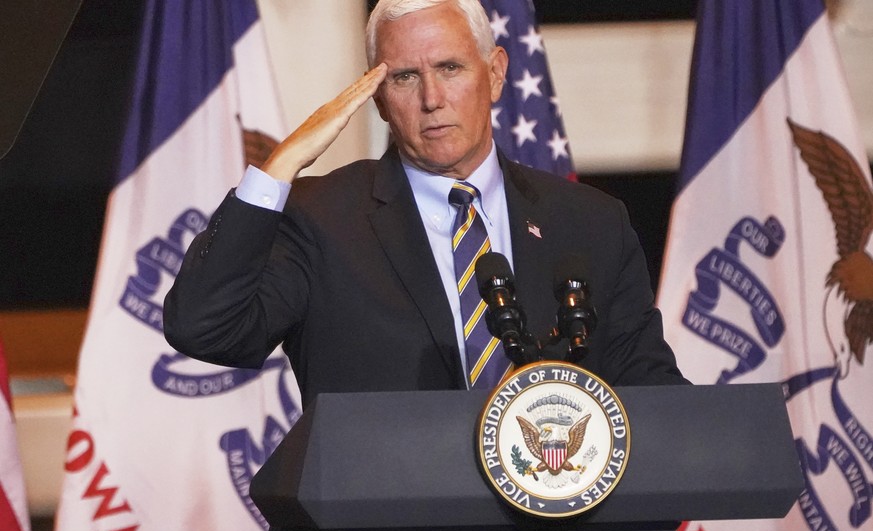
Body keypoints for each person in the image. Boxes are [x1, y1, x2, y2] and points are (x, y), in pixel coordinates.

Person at [163, 0, 688, 408]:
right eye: (405, 77)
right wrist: (278, 169)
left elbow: (651, 394)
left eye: (451, 68)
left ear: (497, 73)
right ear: (378, 98)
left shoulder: (591, 223)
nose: (432, 98)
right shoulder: (320, 218)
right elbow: (206, 329)